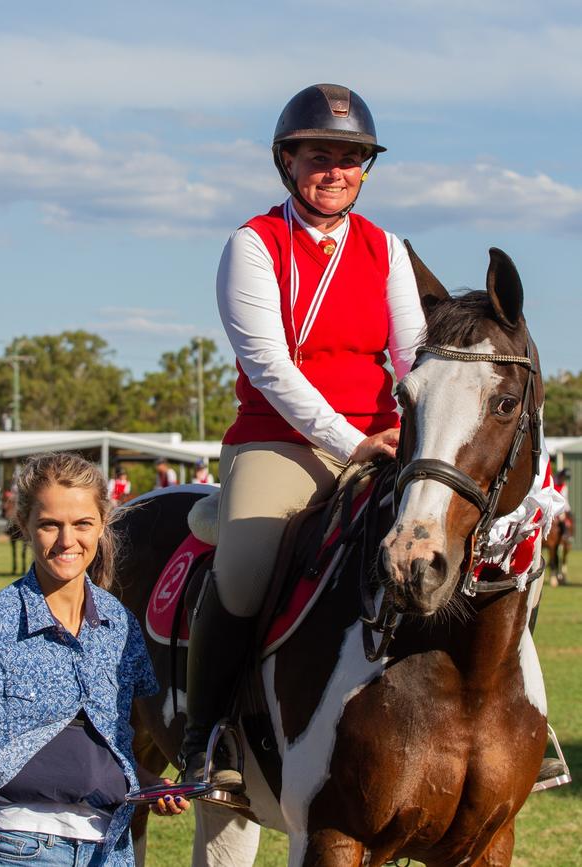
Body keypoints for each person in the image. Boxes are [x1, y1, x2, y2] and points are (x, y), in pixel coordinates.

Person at [178, 83, 427, 790]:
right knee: (248, 566)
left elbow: (412, 355)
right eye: (320, 155)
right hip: (280, 439)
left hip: (381, 437)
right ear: (287, 161)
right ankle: (208, 735)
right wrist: (352, 442)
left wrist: (413, 433)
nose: (336, 170)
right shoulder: (253, 245)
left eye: (351, 158)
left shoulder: (386, 249)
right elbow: (270, 366)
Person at [0, 452, 188, 867]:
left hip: (107, 849)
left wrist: (148, 783)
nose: (68, 541)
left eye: (83, 523)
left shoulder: (121, 627)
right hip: (15, 846)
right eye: (50, 524)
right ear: (24, 525)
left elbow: (111, 747)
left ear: (103, 524)